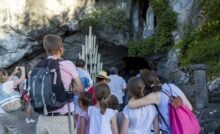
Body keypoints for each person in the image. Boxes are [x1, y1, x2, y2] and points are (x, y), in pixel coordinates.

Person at [36, 34, 83, 134]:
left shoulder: (38, 67)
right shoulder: (67, 64)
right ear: (60, 47)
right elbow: (80, 89)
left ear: (46, 48)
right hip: (62, 121)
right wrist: (70, 90)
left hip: (42, 119)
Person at [128, 71, 193, 134]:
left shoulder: (155, 95)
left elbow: (131, 104)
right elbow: (190, 108)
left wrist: (138, 92)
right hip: (189, 128)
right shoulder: (172, 86)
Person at [0, 67, 26, 134]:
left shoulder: (4, 84)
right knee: (16, 131)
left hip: (0, 115)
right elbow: (22, 79)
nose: (7, 75)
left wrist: (14, 72)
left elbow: (7, 80)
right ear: (3, 75)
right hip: (8, 114)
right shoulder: (8, 84)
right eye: (6, 74)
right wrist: (23, 70)